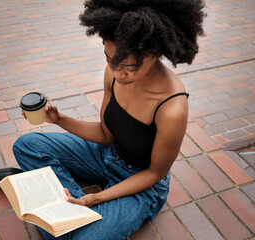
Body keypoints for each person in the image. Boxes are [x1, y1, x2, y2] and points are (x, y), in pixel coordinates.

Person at [12, 1, 206, 239]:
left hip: (141, 184)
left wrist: (98, 197)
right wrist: (58, 119)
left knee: (85, 237)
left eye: (128, 67)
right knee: (27, 145)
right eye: (109, 60)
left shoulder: (171, 107)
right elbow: (105, 135)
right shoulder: (114, 74)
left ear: (153, 54)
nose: (116, 72)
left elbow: (155, 173)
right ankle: (65, 207)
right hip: (106, 155)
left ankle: (46, 195)